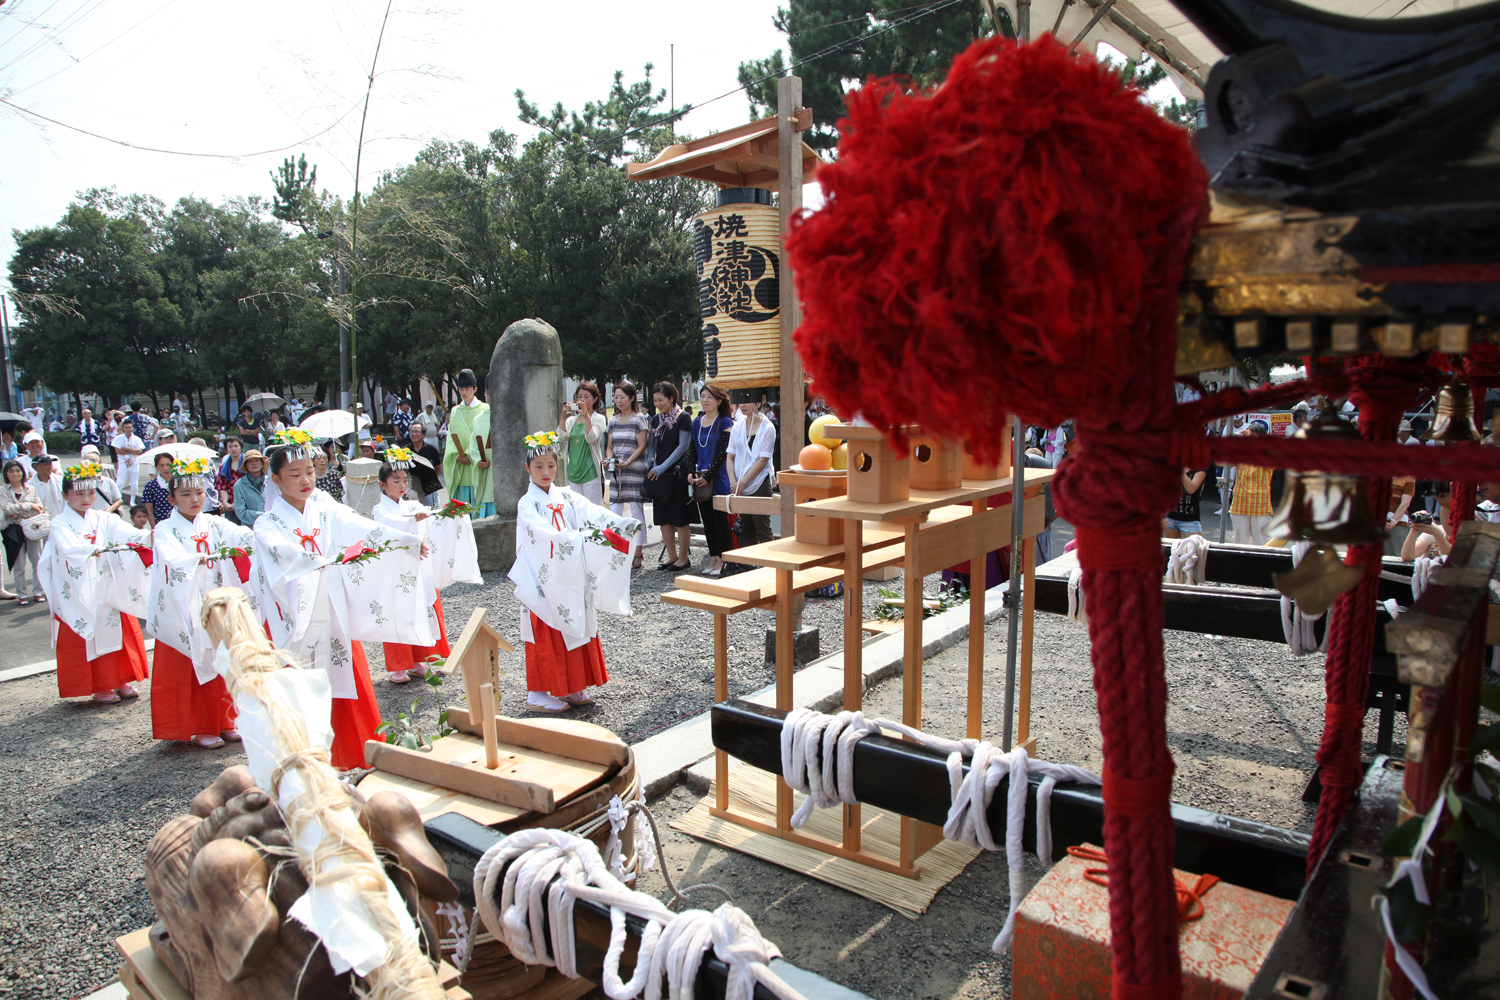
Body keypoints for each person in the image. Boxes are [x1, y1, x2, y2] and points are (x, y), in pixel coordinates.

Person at [251, 429, 431, 769]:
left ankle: (355, 755)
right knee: (299, 683)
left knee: (343, 671)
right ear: (275, 478)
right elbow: (279, 553)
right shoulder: (267, 522)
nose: (306, 479)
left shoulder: (323, 508)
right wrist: (317, 562)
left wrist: (401, 541)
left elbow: (358, 525)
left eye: (308, 471)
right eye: (294, 474)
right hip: (295, 614)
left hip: (330, 609)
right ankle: (307, 763)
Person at [508, 431, 639, 713]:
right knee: (547, 625)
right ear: (527, 468)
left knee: (576, 622)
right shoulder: (526, 503)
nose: (546, 472)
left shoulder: (567, 496)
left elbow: (595, 513)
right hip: (543, 575)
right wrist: (576, 538)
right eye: (539, 466)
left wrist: (622, 525)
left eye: (551, 466)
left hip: (569, 572)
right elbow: (541, 535)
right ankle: (538, 692)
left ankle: (572, 685)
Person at [147, 458, 254, 748]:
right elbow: (169, 556)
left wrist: (249, 537)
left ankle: (227, 720)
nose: (194, 500)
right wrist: (194, 560)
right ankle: (202, 726)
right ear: (171, 499)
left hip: (216, 602)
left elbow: (240, 533)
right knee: (193, 663)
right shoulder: (166, 529)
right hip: (185, 605)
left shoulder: (215, 522)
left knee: (224, 659)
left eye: (199, 493)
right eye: (185, 494)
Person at [38, 460, 151, 703]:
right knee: (89, 632)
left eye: (90, 492)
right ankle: (100, 684)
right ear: (66, 495)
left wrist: (151, 536)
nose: (86, 498)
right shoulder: (59, 522)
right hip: (80, 587)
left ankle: (121, 679)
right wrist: (93, 550)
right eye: (79, 493)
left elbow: (128, 533)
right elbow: (68, 547)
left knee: (116, 629)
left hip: (107, 584)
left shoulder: (103, 518)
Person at [371, 450, 451, 684]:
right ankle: (398, 666)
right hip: (395, 570)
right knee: (398, 616)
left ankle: (418, 661)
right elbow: (390, 527)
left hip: (416, 566)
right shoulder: (381, 510)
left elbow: (430, 517)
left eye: (405, 480)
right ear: (382, 485)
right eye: (395, 480)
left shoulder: (411, 504)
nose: (401, 484)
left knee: (419, 612)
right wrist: (412, 522)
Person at [646, 381, 693, 571]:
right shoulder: (656, 420)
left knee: (680, 517)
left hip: (678, 473)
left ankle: (683, 557)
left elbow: (683, 447)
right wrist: (651, 461)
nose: (658, 404)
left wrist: (662, 467)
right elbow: (651, 445)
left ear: (672, 398)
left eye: (661, 400)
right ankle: (671, 556)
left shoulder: (684, 417)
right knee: (663, 517)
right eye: (655, 400)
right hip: (660, 475)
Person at [687, 385, 735, 577]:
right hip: (701, 478)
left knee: (720, 520)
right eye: (702, 396)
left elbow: (724, 452)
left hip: (719, 477)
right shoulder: (697, 422)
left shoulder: (724, 421)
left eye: (709, 397)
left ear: (719, 400)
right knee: (707, 520)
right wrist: (691, 471)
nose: (705, 400)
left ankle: (724, 560)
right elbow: (691, 450)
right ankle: (713, 557)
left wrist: (709, 475)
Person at [607, 382, 650, 570]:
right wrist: (610, 460)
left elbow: (642, 446)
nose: (618, 401)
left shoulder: (639, 419)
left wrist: (628, 461)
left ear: (632, 398)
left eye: (622, 397)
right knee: (614, 510)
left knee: (636, 511)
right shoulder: (612, 420)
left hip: (634, 469)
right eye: (616, 397)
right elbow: (609, 446)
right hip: (617, 470)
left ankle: (638, 552)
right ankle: (616, 551)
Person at [727, 397, 777, 548]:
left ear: (758, 403)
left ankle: (769, 567)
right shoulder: (737, 426)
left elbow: (763, 460)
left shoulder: (768, 427)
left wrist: (742, 483)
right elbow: (730, 456)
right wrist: (733, 482)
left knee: (762, 527)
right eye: (740, 400)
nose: (742, 404)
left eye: (747, 401)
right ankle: (747, 566)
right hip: (738, 482)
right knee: (745, 528)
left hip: (759, 482)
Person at [442, 369, 494, 518]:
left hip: (478, 462)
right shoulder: (455, 411)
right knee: (461, 507)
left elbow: (480, 437)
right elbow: (451, 436)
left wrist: (471, 456)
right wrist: (457, 454)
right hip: (460, 464)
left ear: (475, 389)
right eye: (461, 389)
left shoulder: (484, 409)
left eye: (467, 389)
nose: (464, 392)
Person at [2, 460, 47, 605]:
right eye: (11, 471)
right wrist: (29, 505)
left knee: (37, 561)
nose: (15, 474)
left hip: (32, 527)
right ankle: (21, 594)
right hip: (14, 530)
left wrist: (20, 510)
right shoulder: (3, 491)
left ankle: (38, 591)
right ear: (6, 474)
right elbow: (7, 509)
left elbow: (39, 508)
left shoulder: (31, 489)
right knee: (19, 564)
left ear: (23, 472)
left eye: (17, 470)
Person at [558, 382, 607, 504]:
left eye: (586, 397)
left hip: (591, 474)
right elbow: (560, 438)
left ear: (595, 399)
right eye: (579, 397)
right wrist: (563, 417)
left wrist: (586, 417)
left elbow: (591, 438)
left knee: (592, 513)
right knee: (575, 512)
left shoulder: (598, 419)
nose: (582, 400)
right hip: (573, 474)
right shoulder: (571, 420)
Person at [1226, 420, 1273, 545]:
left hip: (1260, 504)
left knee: (1262, 543)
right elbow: (1221, 463)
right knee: (1239, 542)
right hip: (1240, 503)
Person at [79, 446, 124, 515]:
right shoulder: (78, 483)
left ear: (100, 462)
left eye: (93, 461)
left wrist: (110, 510)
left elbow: (119, 500)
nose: (91, 464)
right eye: (87, 462)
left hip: (107, 517)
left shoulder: (108, 481)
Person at [405, 422, 443, 504]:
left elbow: (438, 466)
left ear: (424, 435)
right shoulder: (405, 450)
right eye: (412, 431)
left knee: (430, 510)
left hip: (428, 487)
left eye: (417, 431)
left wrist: (432, 478)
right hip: (411, 486)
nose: (414, 434)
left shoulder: (431, 449)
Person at [1164, 468, 1207, 538]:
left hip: (1190, 520)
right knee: (1172, 548)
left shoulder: (1199, 469)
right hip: (1171, 517)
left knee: (1193, 547)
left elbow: (1191, 489)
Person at [233, 450, 269, 527]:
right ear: (246, 465)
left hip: (271, 526)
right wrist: (264, 516)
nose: (254, 463)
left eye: (257, 460)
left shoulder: (271, 482)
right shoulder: (239, 485)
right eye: (250, 461)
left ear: (262, 463)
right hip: (250, 529)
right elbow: (241, 512)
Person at [111, 419, 144, 502]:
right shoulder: (118, 438)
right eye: (126, 427)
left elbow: (139, 451)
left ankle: (132, 501)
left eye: (129, 427)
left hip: (134, 462)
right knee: (119, 483)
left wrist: (127, 449)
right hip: (122, 463)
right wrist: (132, 451)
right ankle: (117, 500)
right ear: (123, 428)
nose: (128, 429)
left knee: (134, 484)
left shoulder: (136, 439)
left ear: (132, 428)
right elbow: (118, 451)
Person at [216, 436, 247, 518]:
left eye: (236, 446)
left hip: (247, 504)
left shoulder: (248, 464)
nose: (233, 449)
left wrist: (238, 503)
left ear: (241, 447)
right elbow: (222, 486)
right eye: (230, 446)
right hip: (230, 506)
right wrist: (225, 503)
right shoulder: (223, 467)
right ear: (226, 449)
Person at [142, 453, 176, 525]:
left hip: (179, 522)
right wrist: (154, 528)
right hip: (161, 523)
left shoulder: (180, 482)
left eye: (168, 464)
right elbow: (149, 511)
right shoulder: (150, 485)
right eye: (162, 465)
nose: (166, 468)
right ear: (157, 467)